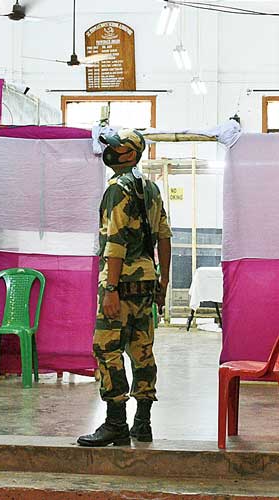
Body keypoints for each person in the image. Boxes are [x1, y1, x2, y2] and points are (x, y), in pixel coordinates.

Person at [77, 129, 172, 447]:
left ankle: (116, 422)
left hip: (121, 282)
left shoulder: (118, 189)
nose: (111, 152)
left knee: (106, 349)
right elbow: (164, 236)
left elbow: (115, 243)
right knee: (142, 350)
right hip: (146, 283)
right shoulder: (151, 188)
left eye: (117, 149)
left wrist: (111, 289)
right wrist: (163, 282)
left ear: (130, 154)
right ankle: (142, 424)